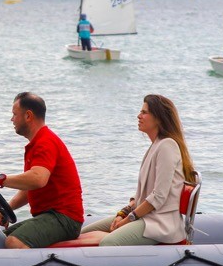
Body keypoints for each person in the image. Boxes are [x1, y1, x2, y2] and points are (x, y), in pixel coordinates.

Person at [81, 95, 198, 246]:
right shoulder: (156, 145)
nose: (139, 116)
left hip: (160, 223)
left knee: (109, 242)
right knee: (82, 234)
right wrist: (122, 213)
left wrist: (127, 221)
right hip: (146, 217)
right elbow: (141, 196)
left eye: (144, 112)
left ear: (159, 118)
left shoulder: (167, 146)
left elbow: (158, 196)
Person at [0, 92, 84, 249]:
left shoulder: (45, 142)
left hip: (64, 218)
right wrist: (6, 209)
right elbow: (30, 188)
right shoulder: (37, 143)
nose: (11, 119)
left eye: (14, 114)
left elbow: (37, 179)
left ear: (28, 116)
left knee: (14, 242)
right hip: (51, 216)